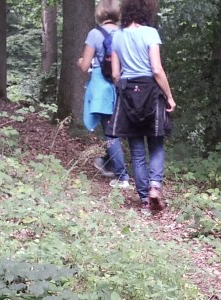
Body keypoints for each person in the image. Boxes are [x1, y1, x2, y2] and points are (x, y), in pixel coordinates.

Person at [107, 0, 176, 211]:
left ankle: (145, 199)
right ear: (146, 10)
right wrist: (170, 96)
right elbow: (156, 69)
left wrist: (127, 91)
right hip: (151, 92)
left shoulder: (117, 36)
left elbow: (116, 74)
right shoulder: (150, 33)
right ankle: (155, 186)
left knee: (137, 151)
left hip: (128, 92)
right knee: (156, 143)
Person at [77, 0, 130, 188]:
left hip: (102, 86)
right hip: (124, 85)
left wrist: (81, 61)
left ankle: (122, 176)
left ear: (100, 13)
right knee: (116, 128)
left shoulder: (95, 34)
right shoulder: (124, 33)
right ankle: (107, 163)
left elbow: (85, 66)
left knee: (110, 132)